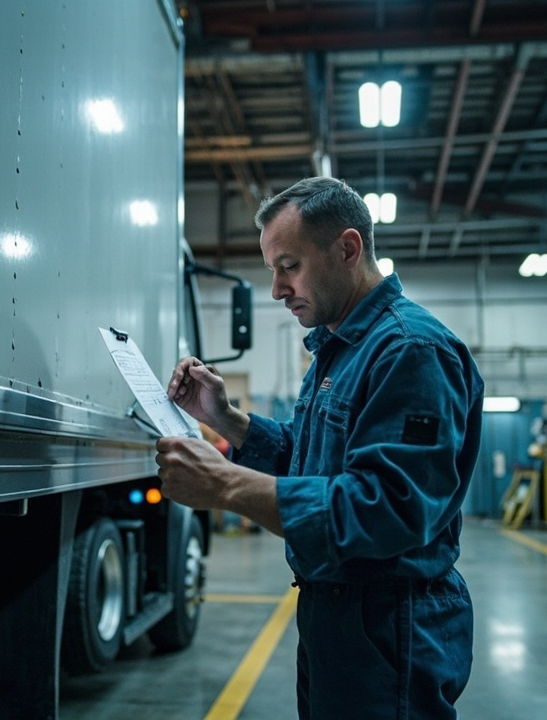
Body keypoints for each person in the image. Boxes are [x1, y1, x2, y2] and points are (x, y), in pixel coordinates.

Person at [155, 177, 483, 720]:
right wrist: (227, 420)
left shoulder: (411, 351)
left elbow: (386, 508)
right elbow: (311, 459)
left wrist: (226, 484)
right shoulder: (339, 346)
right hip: (337, 612)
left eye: (290, 266)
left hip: (387, 624)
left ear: (348, 249)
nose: (278, 290)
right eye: (272, 271)